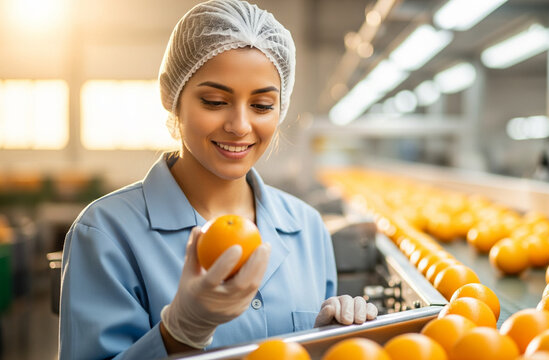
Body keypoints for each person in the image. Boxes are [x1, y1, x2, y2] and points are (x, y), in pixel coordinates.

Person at [58, 1, 377, 358]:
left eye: (261, 106)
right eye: (214, 101)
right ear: (172, 96)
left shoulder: (307, 228)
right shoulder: (106, 234)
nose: (239, 126)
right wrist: (178, 333)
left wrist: (325, 341)